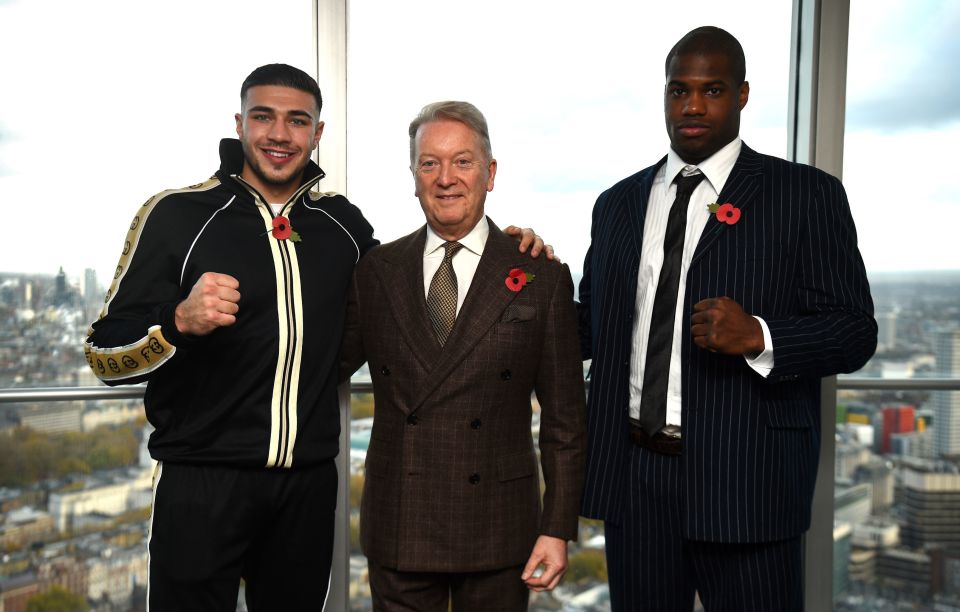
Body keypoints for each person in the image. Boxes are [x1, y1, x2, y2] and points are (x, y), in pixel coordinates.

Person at [83, 65, 546, 611]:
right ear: (239, 124)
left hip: (306, 488)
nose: (280, 134)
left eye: (297, 121)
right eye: (264, 117)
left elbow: (418, 288)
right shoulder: (176, 215)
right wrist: (177, 322)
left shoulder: (343, 225)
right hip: (201, 482)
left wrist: (503, 256)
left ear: (317, 133)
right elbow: (101, 355)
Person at [577, 27, 877, 611]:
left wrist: (759, 335)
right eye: (678, 90)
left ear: (741, 94)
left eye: (711, 90)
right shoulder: (616, 204)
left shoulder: (805, 195)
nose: (692, 106)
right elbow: (590, 325)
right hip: (637, 481)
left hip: (748, 481)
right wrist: (516, 274)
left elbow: (854, 331)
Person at [340, 100, 587, 611]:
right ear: (413, 177)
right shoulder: (376, 270)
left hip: (498, 528)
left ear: (490, 173)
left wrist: (557, 527)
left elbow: (565, 422)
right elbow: (317, 363)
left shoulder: (541, 277)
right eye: (429, 163)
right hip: (401, 521)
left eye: (462, 161)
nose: (445, 178)